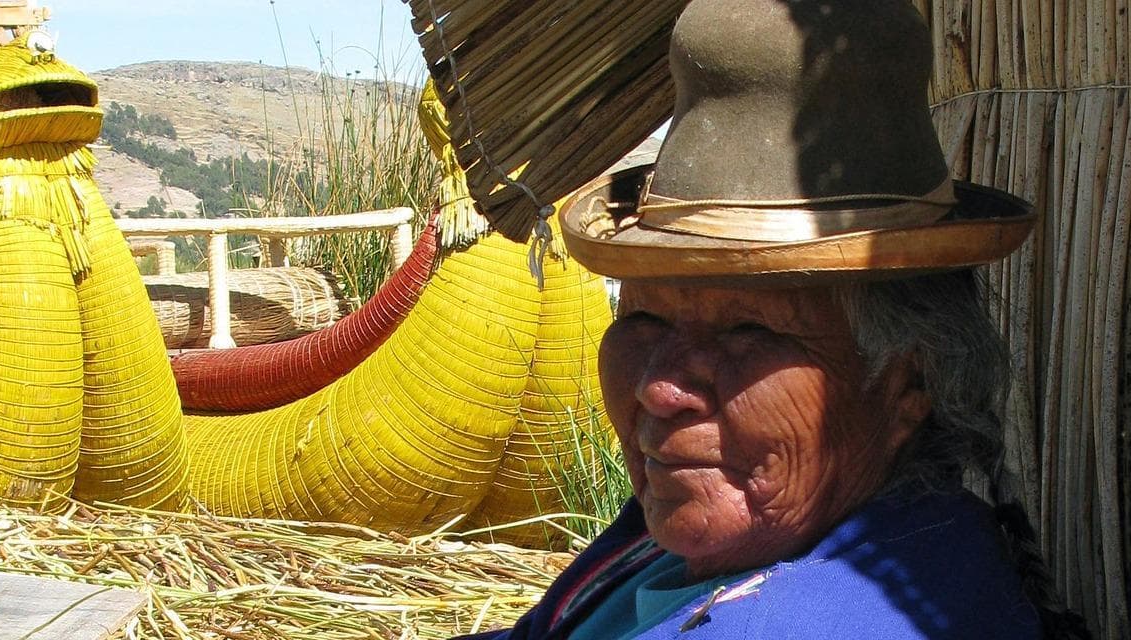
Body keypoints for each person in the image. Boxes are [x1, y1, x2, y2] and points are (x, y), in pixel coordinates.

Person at [454, 1, 1091, 638]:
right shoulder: (706, 534)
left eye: (748, 332)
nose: (658, 386)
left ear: (909, 380)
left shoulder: (797, 617)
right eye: (641, 318)